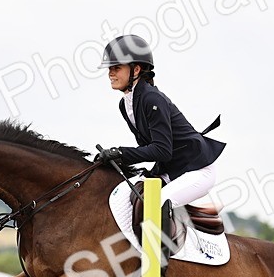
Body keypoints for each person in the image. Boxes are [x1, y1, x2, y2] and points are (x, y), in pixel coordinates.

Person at [95, 35, 225, 211]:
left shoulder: (152, 99)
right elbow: (148, 149)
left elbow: (162, 150)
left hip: (196, 170)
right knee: (125, 197)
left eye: (116, 68)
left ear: (136, 70)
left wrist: (121, 153)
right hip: (171, 169)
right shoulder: (125, 105)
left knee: (155, 204)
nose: (110, 73)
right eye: (110, 68)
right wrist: (115, 159)